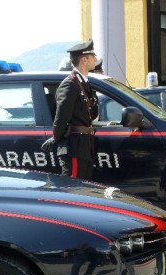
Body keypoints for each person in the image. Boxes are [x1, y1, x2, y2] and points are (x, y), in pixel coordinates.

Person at [53, 39, 99, 180]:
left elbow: (92, 114)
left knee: (84, 192)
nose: (96, 59)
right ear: (84, 60)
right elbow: (61, 118)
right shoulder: (70, 84)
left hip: (84, 147)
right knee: (72, 191)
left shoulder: (83, 83)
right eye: (93, 56)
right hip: (74, 147)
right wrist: (56, 139)